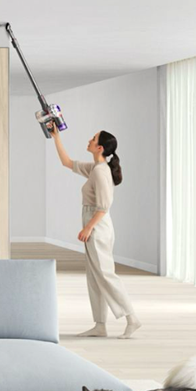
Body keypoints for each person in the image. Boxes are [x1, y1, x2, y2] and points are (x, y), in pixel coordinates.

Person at [50, 126, 141, 338]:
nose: (89, 140)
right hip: (94, 224)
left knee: (106, 274)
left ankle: (132, 318)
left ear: (100, 148)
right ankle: (100, 325)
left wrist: (88, 227)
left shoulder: (100, 172)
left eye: (93, 139)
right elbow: (67, 162)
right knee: (95, 276)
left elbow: (104, 206)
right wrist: (56, 137)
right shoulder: (95, 168)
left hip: (98, 227)